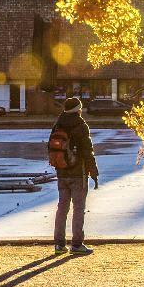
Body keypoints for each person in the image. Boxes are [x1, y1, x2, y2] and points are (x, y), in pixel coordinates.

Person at [50, 96, 99, 255]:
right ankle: (77, 244)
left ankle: (59, 244)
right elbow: (87, 151)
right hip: (78, 172)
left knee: (62, 207)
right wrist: (94, 171)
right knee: (78, 208)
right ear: (78, 109)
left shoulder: (58, 124)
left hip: (61, 171)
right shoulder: (81, 125)